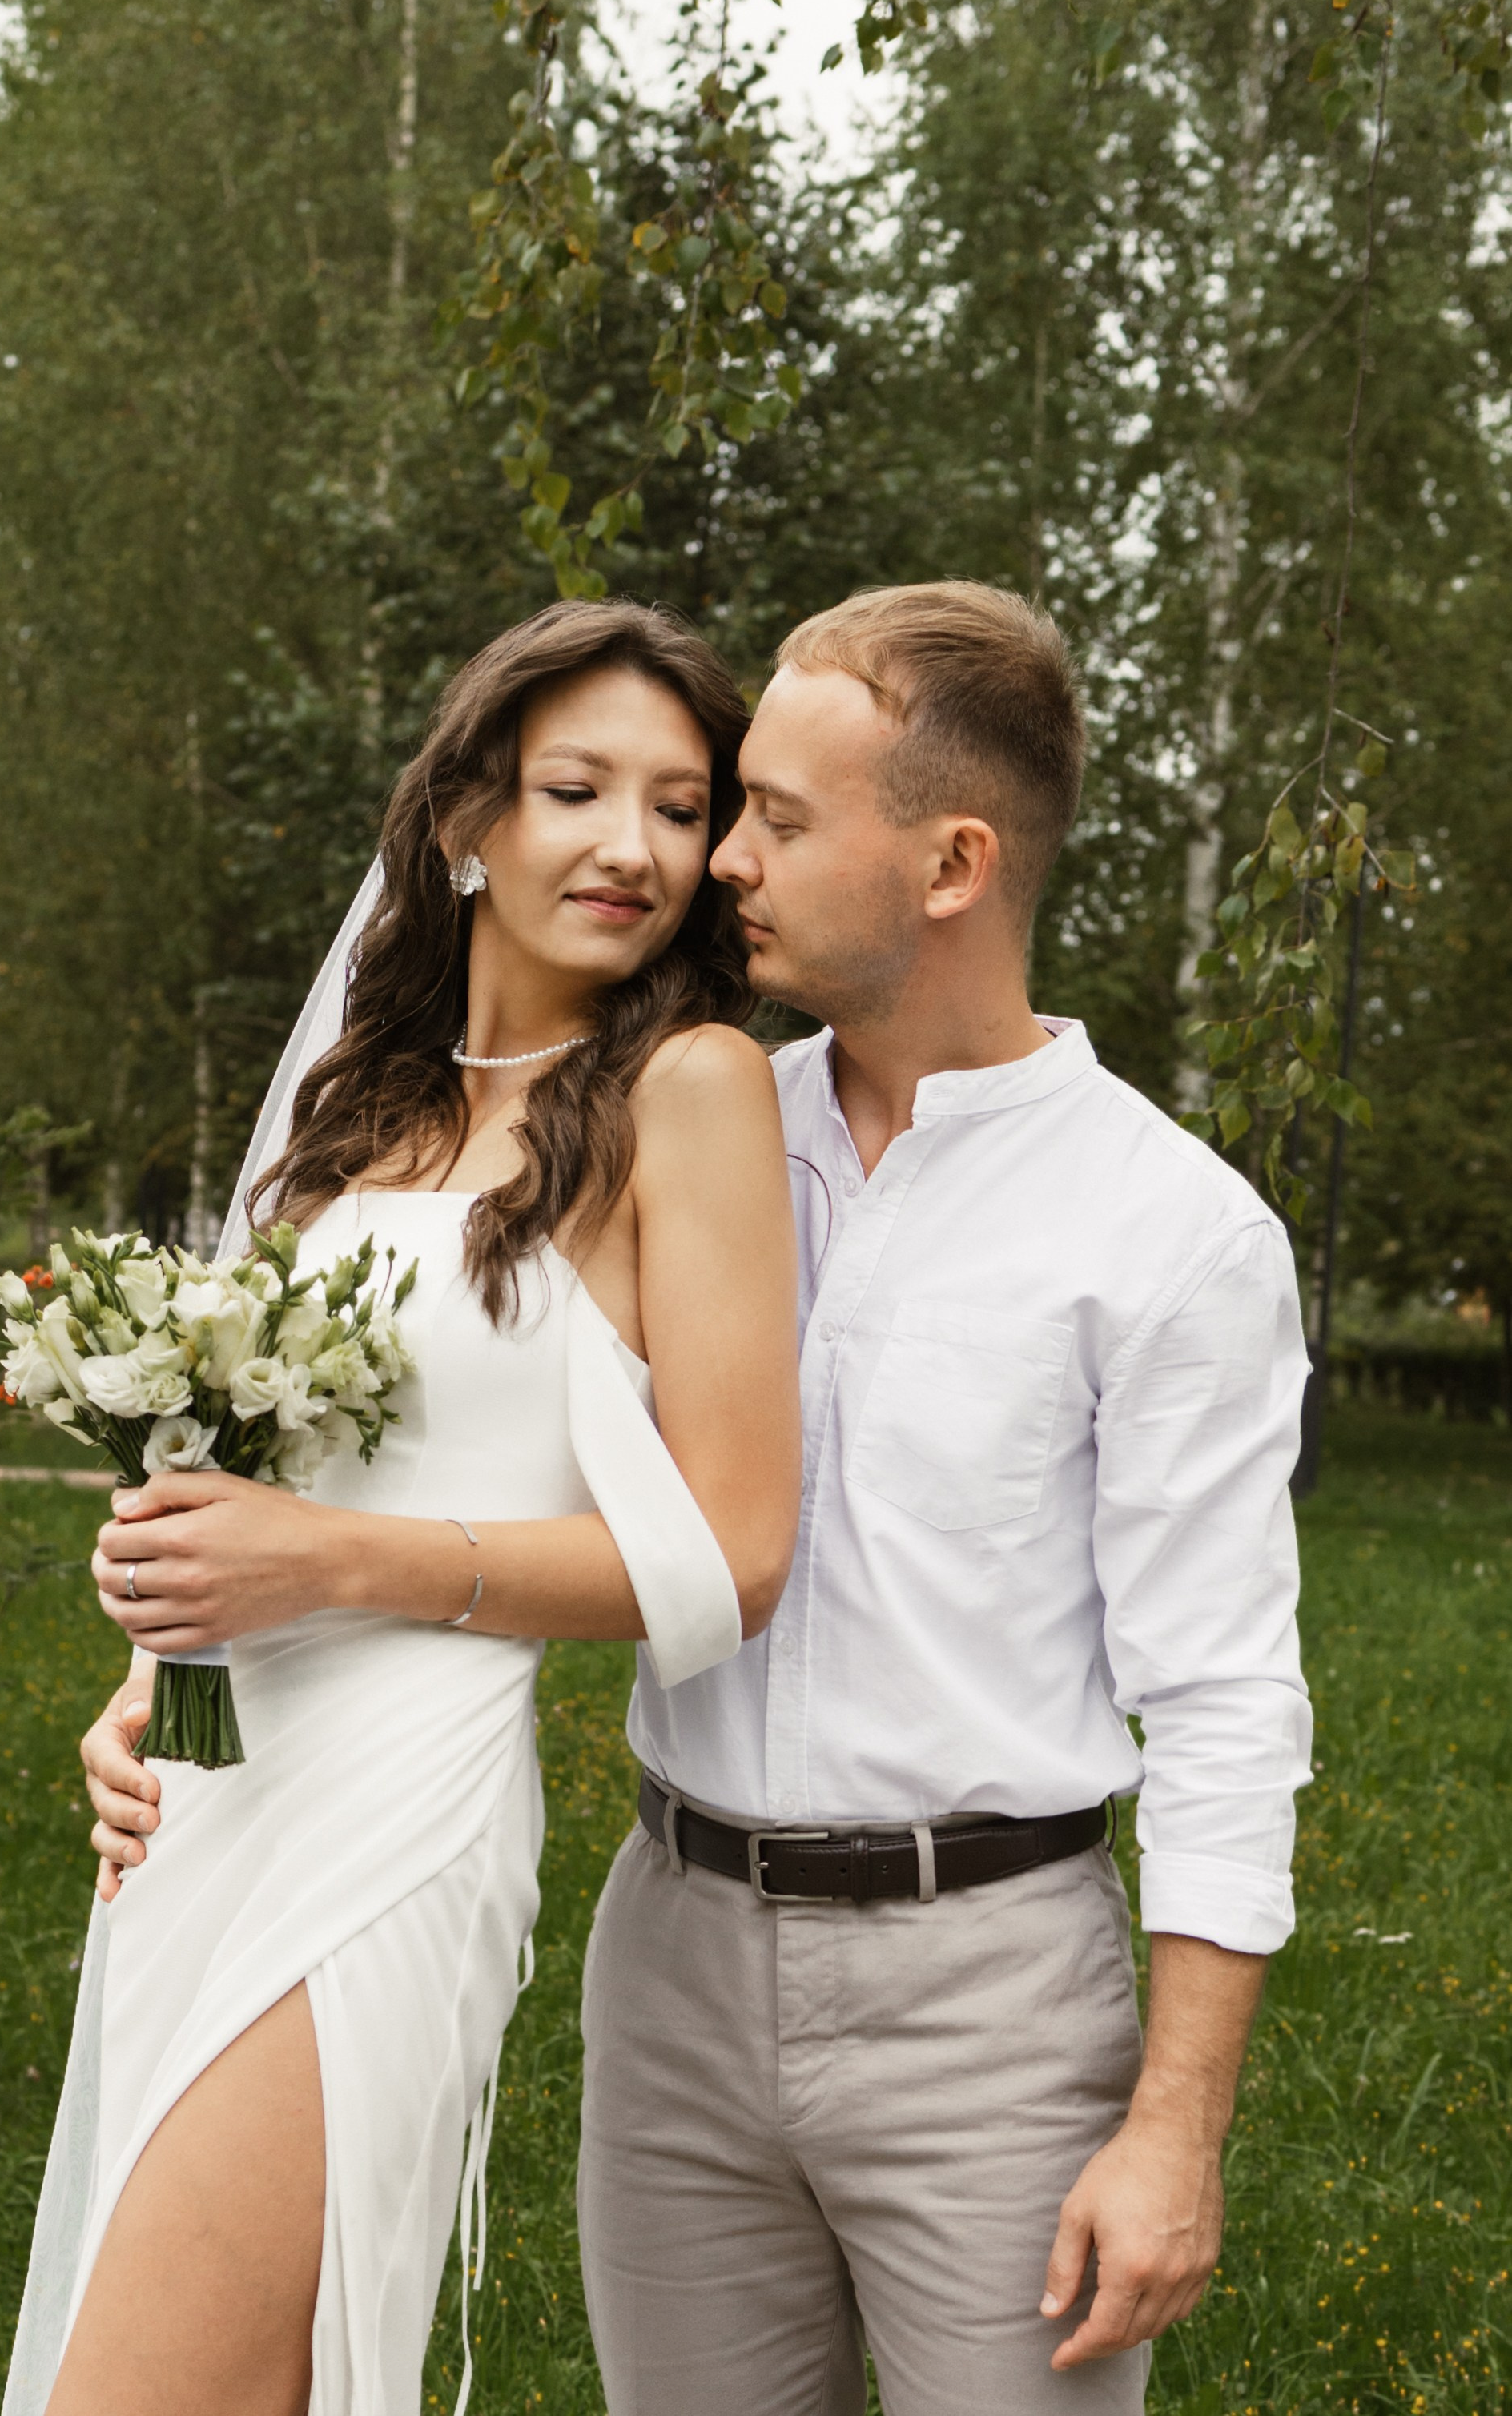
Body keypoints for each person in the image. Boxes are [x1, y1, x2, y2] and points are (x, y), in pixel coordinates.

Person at [4, 601, 801, 2416]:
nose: (632, 845)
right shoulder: (352, 1111)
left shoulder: (688, 1089)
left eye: (682, 807)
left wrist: (328, 1562)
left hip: (399, 1804)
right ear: (464, 821)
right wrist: (146, 1676)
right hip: (213, 1792)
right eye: (577, 790)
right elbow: (258, 1470)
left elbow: (731, 1553)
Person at [577, 581, 1312, 2414]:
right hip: (667, 1958)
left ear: (951, 862)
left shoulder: (1168, 1231)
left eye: (778, 816)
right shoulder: (689, 1129)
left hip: (988, 2006)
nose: (721, 858)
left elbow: (1222, 1700)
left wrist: (1172, 2129)